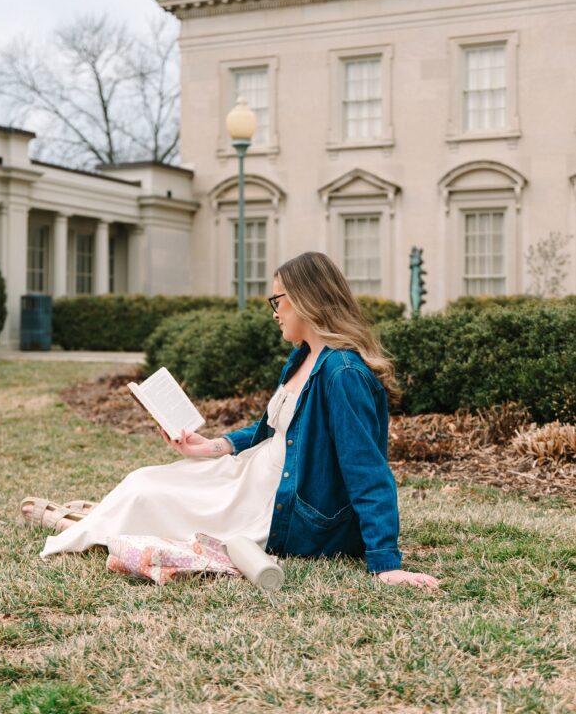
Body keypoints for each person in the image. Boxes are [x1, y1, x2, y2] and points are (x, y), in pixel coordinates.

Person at [30, 251, 439, 590]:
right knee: (146, 480)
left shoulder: (342, 373)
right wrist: (211, 447)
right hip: (250, 477)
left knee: (144, 493)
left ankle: (83, 521)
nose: (274, 312)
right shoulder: (303, 357)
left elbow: (367, 470)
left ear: (304, 300)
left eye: (276, 301)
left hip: (275, 507)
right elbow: (269, 430)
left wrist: (386, 562)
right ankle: (91, 518)